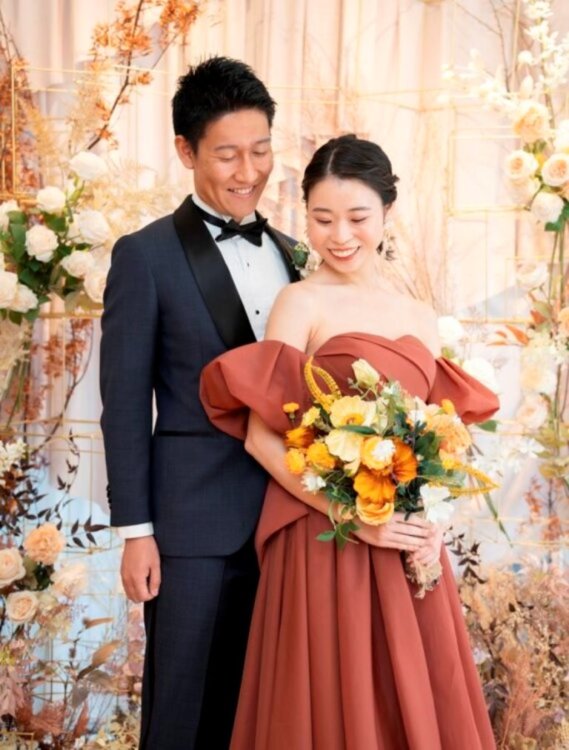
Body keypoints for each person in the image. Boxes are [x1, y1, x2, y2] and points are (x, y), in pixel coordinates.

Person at [200, 134, 499, 749]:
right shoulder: (300, 302)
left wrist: (431, 521)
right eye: (322, 218)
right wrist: (352, 519)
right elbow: (261, 438)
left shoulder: (419, 315)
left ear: (387, 213)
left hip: (405, 543)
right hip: (325, 538)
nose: (339, 235)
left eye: (357, 217)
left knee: (407, 702)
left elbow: (434, 441)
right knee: (329, 707)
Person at [100, 56, 298, 749]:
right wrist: (136, 532)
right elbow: (124, 403)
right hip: (190, 529)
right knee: (182, 715)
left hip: (289, 520)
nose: (249, 171)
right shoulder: (145, 255)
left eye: (261, 150)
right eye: (227, 154)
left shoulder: (297, 254)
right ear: (186, 152)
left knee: (264, 714)